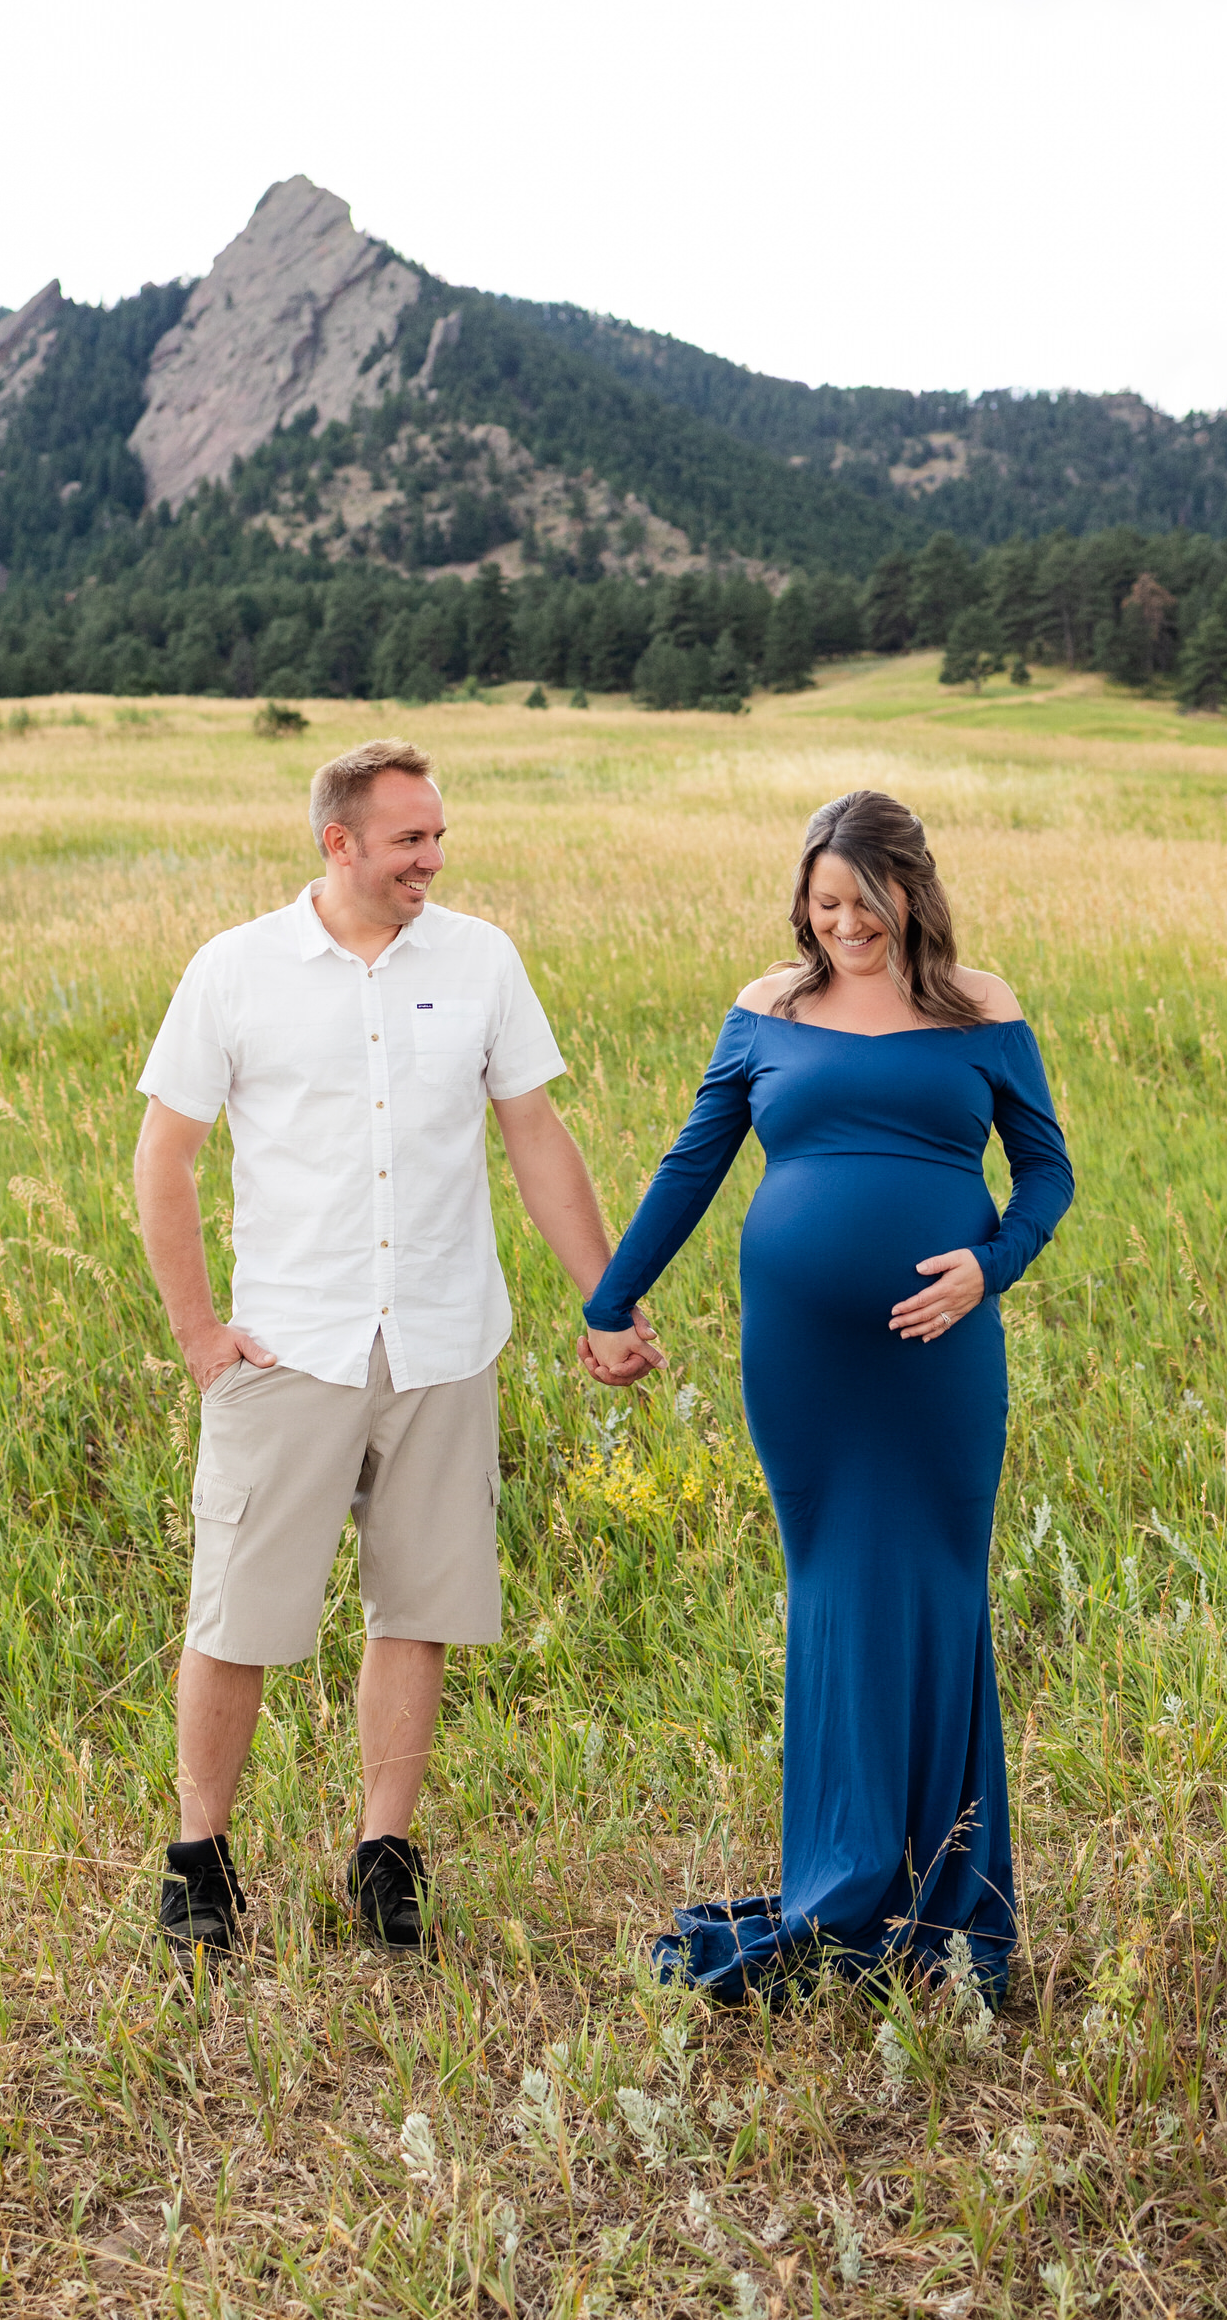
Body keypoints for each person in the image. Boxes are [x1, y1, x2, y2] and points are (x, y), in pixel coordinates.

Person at [135, 738, 653, 1965]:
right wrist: (201, 1336)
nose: (433, 856)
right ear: (339, 842)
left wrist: (606, 1297)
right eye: (409, 838)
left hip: (441, 1339)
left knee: (415, 1607)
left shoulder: (480, 960)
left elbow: (534, 1134)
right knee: (237, 1617)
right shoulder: (237, 970)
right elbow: (164, 1158)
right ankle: (199, 1862)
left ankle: (383, 1856)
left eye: (438, 834)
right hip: (289, 1348)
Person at [578, 790, 1073, 2002]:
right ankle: (841, 1884)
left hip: (939, 1351)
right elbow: (692, 1162)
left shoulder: (982, 1007)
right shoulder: (765, 1008)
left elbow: (1047, 1173)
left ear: (912, 888)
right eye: (823, 902)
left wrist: (986, 1267)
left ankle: (949, 1894)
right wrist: (608, 1298)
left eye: (862, 899)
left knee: (942, 1593)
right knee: (833, 1595)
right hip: (802, 1357)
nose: (843, 924)